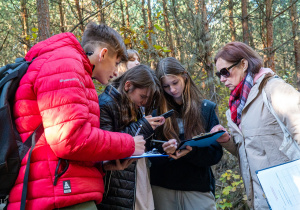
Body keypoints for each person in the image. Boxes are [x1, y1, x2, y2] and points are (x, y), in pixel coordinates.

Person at [7, 22, 146, 210]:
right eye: (116, 63)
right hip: (57, 195)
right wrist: (129, 144)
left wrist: (102, 164)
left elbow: (59, 141)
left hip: (57, 190)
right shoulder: (65, 65)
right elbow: (70, 139)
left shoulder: (68, 65)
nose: (116, 72)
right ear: (103, 54)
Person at [212, 41, 300, 209]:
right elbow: (245, 152)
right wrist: (226, 140)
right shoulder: (234, 109)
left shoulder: (274, 90)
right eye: (219, 75)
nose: (222, 79)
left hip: (291, 195)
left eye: (225, 72)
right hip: (262, 199)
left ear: (243, 64)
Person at [97, 65, 177, 210]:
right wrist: (142, 126)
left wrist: (162, 147)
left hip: (138, 179)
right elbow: (105, 147)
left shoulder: (134, 105)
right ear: (128, 85)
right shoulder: (105, 104)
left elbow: (141, 145)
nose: (144, 103)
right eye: (143, 97)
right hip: (115, 186)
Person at [149, 57, 223, 210]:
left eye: (175, 83)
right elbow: (148, 152)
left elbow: (215, 154)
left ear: (184, 75)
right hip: (163, 189)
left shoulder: (206, 109)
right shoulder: (156, 113)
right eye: (166, 86)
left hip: (198, 189)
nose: (172, 90)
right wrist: (165, 151)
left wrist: (191, 151)